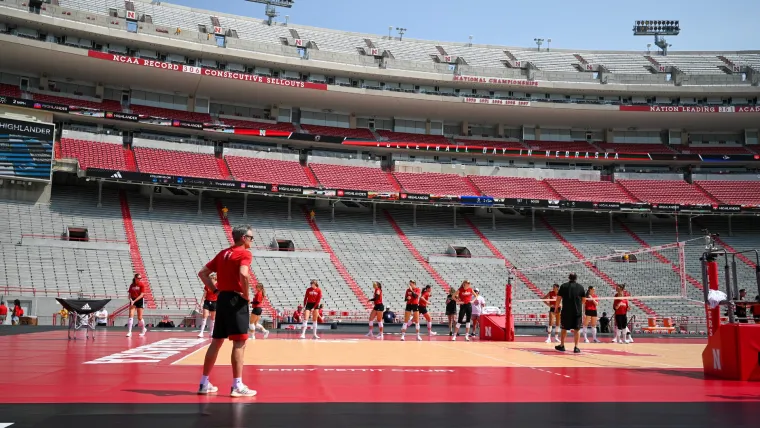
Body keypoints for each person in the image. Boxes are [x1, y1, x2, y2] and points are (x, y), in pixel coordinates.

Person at [196, 224, 257, 397]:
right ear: (244, 238)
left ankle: (204, 382)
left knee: (216, 341)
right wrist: (245, 295)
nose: (252, 241)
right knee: (239, 343)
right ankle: (237, 385)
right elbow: (244, 274)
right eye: (251, 238)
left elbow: (203, 273)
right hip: (236, 300)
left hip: (222, 299)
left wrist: (215, 291)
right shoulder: (244, 253)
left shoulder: (223, 253)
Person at [554, 273, 586, 353]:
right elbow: (584, 300)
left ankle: (562, 345)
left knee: (564, 328)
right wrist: (578, 306)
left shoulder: (564, 286)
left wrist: (556, 308)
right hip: (577, 311)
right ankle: (576, 347)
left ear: (569, 278)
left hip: (566, 311)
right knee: (577, 329)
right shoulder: (581, 287)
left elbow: (558, 299)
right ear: (576, 278)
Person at [198, 273, 219, 338]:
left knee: (213, 318)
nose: (210, 280)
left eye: (211, 279)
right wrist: (201, 303)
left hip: (215, 302)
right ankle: (201, 332)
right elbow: (204, 294)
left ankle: (211, 332)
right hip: (207, 301)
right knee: (205, 316)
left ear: (214, 279)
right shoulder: (207, 285)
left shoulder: (218, 285)